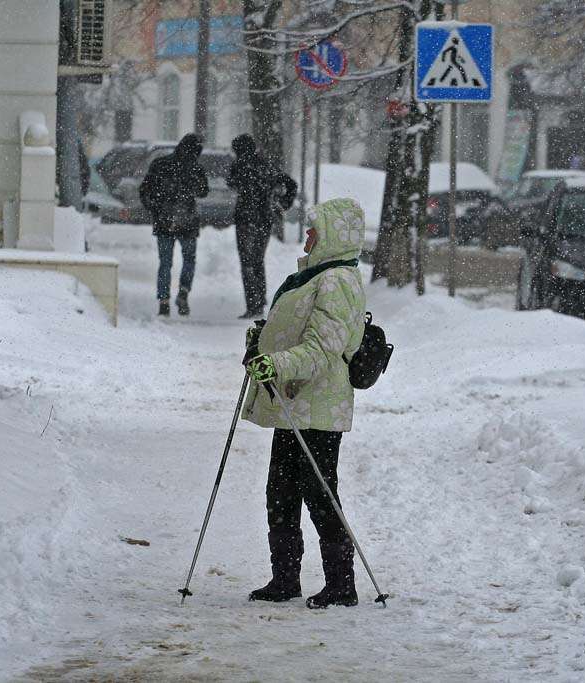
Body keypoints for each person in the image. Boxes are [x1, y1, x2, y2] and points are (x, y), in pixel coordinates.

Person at [241, 197, 367, 609]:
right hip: (293, 403)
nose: (308, 235)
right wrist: (261, 341)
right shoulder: (314, 276)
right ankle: (284, 578)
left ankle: (341, 584)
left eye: (315, 229)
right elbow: (293, 330)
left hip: (319, 407)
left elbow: (321, 351)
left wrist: (272, 363)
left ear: (333, 235)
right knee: (280, 492)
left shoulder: (338, 282)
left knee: (319, 493)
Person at [226, 134, 297, 319]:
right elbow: (290, 183)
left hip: (245, 219)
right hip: (264, 218)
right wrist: (283, 202)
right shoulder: (266, 165)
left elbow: (231, 183)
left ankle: (253, 303)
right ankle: (260, 298)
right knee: (257, 260)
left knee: (247, 262)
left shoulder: (239, 166)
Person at [139, 134, 209, 316]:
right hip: (188, 221)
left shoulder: (160, 164)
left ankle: (163, 301)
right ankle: (183, 292)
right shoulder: (195, 168)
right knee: (189, 260)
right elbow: (203, 192)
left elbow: (145, 190)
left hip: (164, 221)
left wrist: (155, 208)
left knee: (165, 263)